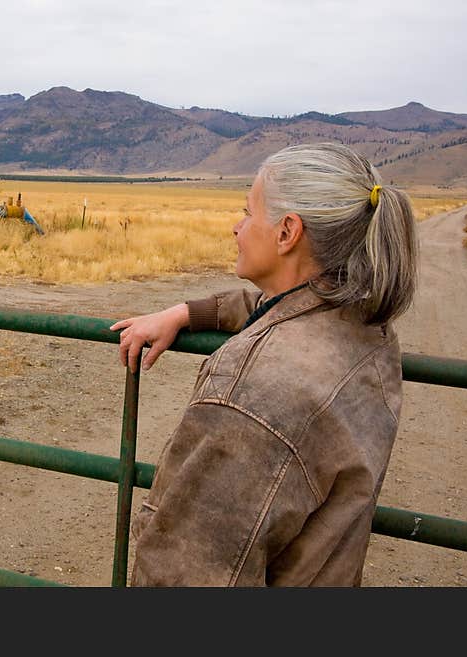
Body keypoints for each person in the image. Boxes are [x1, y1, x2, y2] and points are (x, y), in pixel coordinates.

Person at [110, 142, 418, 586]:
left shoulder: (256, 390)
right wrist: (186, 313)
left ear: (287, 232)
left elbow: (186, 571)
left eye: (248, 212)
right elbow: (278, 304)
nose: (238, 227)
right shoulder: (365, 325)